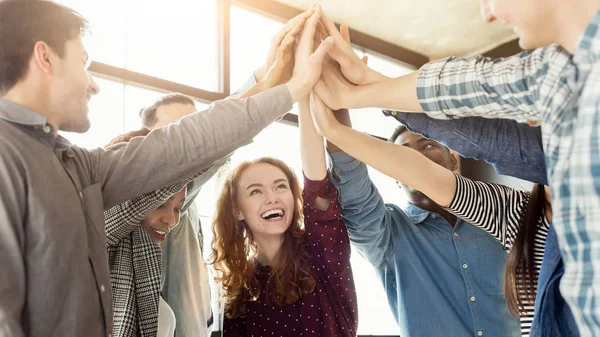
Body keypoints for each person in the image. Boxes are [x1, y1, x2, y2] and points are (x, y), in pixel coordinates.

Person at [0, 1, 334, 335]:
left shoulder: (74, 166)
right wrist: (290, 88)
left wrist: (272, 81)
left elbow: (183, 146)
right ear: (45, 58)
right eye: (83, 63)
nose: (94, 84)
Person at [314, 1, 600, 331]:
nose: (488, 14)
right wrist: (351, 107)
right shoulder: (515, 214)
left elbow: (478, 108)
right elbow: (432, 164)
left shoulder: (571, 128)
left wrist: (363, 94)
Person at [137, 13, 310, 337]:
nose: (192, 144)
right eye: (176, 132)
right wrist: (268, 77)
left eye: (196, 130)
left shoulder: (185, 206)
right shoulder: (139, 198)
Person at [210, 93, 358, 337]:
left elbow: (316, 182)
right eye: (255, 191)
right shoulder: (240, 289)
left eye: (280, 186)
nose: (272, 197)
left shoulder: (320, 252)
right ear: (237, 210)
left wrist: (301, 92)